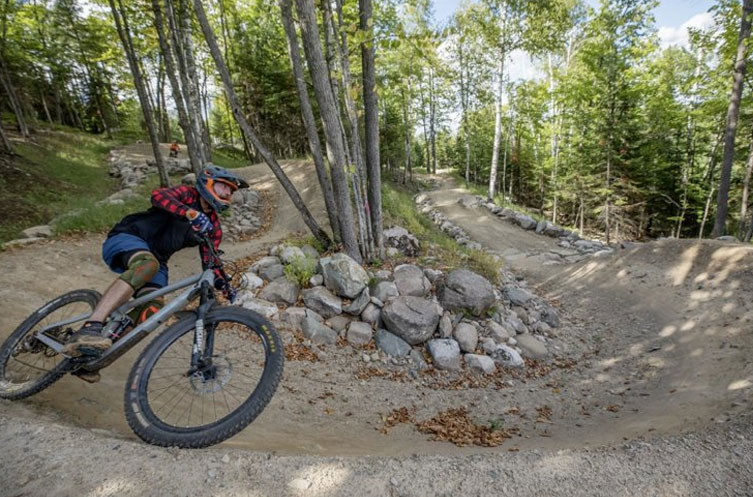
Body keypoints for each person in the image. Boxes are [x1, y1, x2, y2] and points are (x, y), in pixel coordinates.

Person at [63, 164, 248, 365]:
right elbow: (158, 197)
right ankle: (91, 327)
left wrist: (225, 286)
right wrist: (189, 213)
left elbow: (211, 260)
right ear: (208, 182)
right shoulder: (188, 194)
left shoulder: (213, 226)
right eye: (225, 187)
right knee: (146, 264)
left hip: (158, 259)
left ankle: (96, 358)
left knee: (153, 307)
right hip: (129, 236)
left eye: (231, 191)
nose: (228, 192)